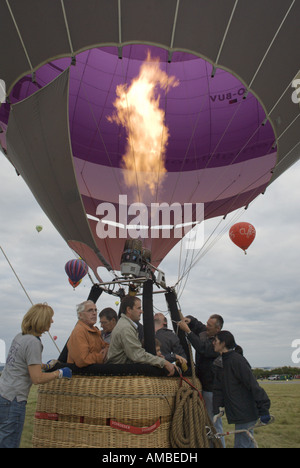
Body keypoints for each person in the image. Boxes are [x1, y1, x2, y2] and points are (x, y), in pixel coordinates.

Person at [0, 303, 71, 448]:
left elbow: (22, 364)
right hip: (14, 400)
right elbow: (37, 378)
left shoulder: (20, 337)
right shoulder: (33, 343)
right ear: (42, 320)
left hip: (3, 395)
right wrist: (59, 373)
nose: (52, 321)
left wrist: (45, 365)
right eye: (50, 318)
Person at [212, 330, 271, 448]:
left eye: (215, 340)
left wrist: (264, 408)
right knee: (247, 444)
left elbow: (252, 384)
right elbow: (218, 388)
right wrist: (217, 407)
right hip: (237, 411)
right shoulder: (220, 363)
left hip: (245, 411)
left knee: (242, 445)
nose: (213, 343)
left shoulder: (237, 360)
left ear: (223, 343)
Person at [178, 314, 225, 445]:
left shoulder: (217, 343)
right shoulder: (207, 333)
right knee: (206, 422)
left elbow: (203, 348)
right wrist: (189, 320)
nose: (206, 326)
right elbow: (197, 324)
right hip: (203, 385)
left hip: (211, 388)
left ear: (218, 329)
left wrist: (187, 331)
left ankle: (218, 445)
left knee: (213, 422)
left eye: (209, 325)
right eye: (207, 323)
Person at [107, 295, 177, 376]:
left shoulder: (126, 325)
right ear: (129, 310)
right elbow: (137, 355)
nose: (141, 311)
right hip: (121, 372)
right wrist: (164, 363)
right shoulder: (126, 328)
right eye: (138, 308)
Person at [67, 300, 109, 368]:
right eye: (90, 310)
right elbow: (82, 360)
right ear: (80, 315)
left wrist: (107, 349)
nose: (94, 313)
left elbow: (105, 346)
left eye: (95, 310)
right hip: (82, 376)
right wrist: (102, 356)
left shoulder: (94, 330)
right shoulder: (79, 331)